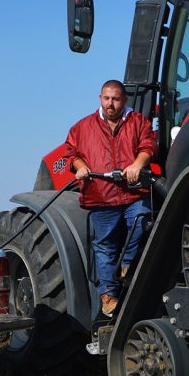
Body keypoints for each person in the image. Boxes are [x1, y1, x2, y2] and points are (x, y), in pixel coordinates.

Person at [64, 80, 156, 316]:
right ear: (100, 99)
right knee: (104, 246)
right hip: (101, 195)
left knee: (141, 223)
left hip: (133, 192)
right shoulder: (82, 128)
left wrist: (137, 165)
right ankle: (108, 296)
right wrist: (81, 167)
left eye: (115, 99)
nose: (110, 104)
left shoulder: (138, 122)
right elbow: (71, 153)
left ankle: (127, 265)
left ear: (124, 100)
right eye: (106, 99)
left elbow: (148, 145)